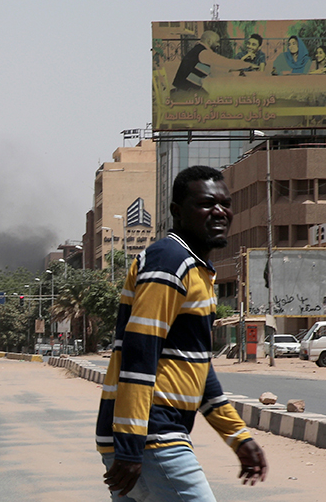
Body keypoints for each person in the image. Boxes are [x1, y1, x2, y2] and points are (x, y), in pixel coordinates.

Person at [97, 166, 267, 501]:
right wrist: (132, 445)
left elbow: (198, 368)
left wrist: (238, 437)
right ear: (177, 211)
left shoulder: (197, 270)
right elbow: (139, 351)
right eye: (206, 204)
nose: (219, 212)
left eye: (225, 203)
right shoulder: (170, 261)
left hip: (147, 436)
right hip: (152, 435)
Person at [171, 30, 257, 98]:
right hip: (184, 93)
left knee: (209, 97)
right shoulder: (204, 53)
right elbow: (225, 62)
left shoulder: (198, 50)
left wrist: (234, 71)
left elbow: (214, 71)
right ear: (209, 41)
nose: (218, 44)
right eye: (216, 42)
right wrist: (247, 64)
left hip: (185, 90)